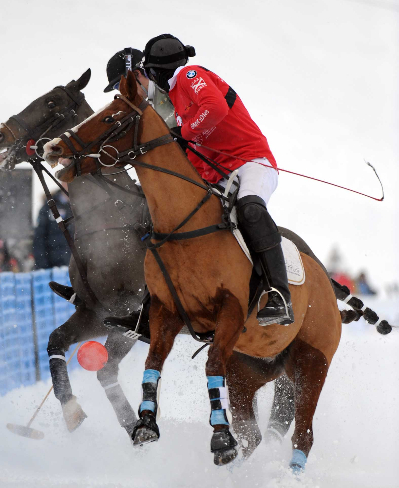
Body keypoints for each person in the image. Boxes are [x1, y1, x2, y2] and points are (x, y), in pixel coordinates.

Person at [108, 33, 294, 330]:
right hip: (217, 173)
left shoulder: (189, 75)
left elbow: (215, 108)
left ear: (154, 71)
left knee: (250, 209)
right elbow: (194, 149)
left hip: (251, 162)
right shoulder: (172, 99)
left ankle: (279, 295)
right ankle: (150, 310)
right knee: (178, 223)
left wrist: (183, 134)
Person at [33, 187, 73, 270]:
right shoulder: (48, 206)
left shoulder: (83, 206)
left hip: (76, 268)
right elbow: (39, 238)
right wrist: (43, 266)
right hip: (52, 268)